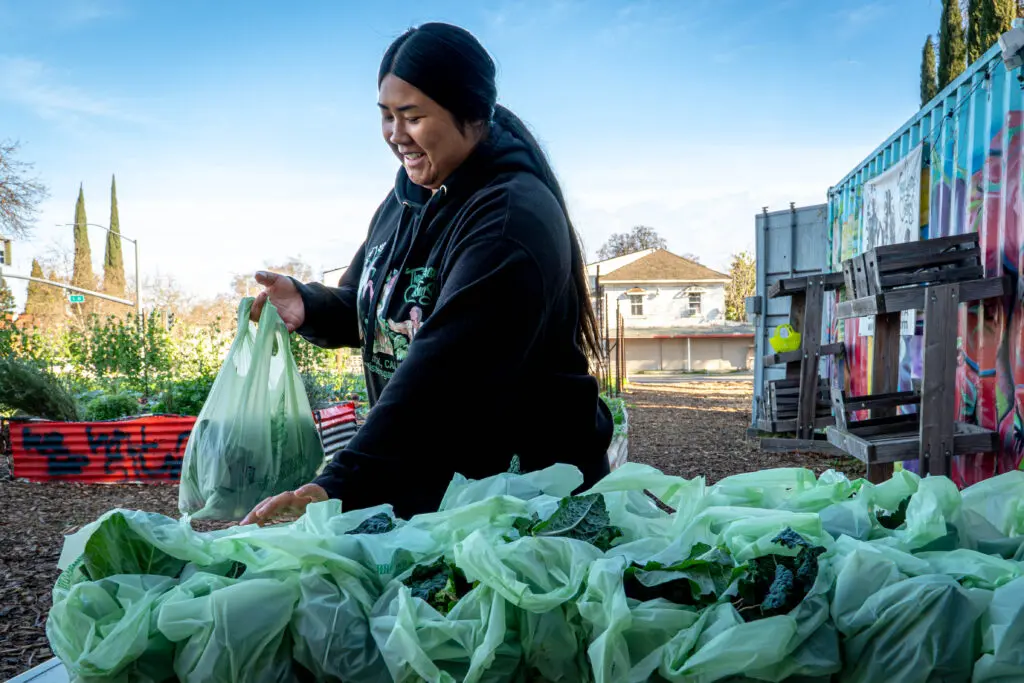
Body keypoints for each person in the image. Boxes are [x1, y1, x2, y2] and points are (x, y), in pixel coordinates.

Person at [239, 21, 612, 525]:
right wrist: (311, 305)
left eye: (412, 117)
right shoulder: (405, 200)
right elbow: (378, 307)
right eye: (387, 116)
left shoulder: (509, 218)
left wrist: (336, 485)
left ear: (472, 114)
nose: (396, 136)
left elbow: (445, 372)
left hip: (524, 500)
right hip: (445, 493)